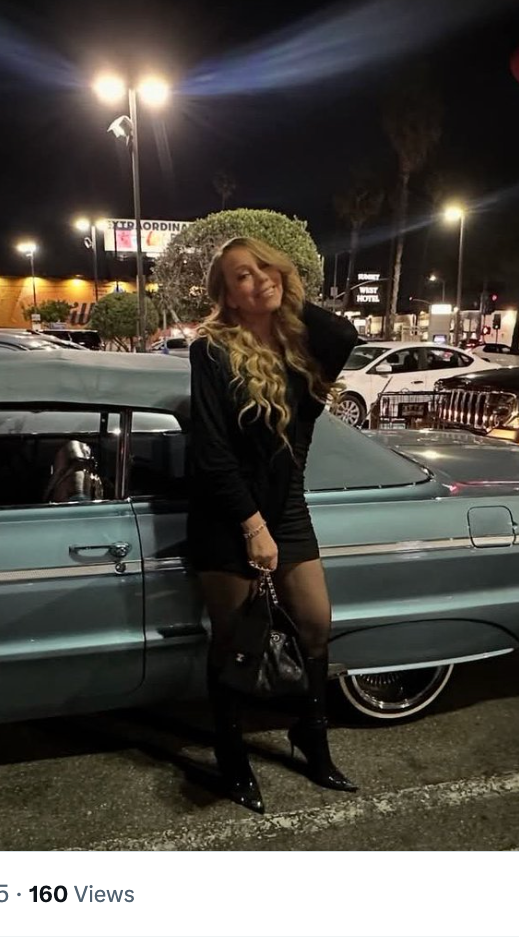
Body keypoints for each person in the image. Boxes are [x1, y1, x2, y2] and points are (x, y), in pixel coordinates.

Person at [188, 235, 359, 813]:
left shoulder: (301, 344)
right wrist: (251, 525)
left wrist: (283, 289)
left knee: (314, 625)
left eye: (265, 267)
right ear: (227, 297)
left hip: (287, 506)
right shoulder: (210, 350)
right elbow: (212, 452)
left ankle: (310, 735)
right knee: (233, 642)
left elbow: (346, 333)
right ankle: (231, 758)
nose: (257, 278)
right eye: (241, 275)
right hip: (227, 513)